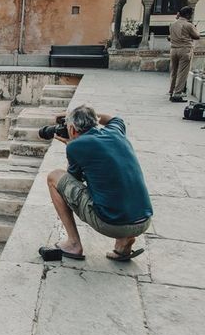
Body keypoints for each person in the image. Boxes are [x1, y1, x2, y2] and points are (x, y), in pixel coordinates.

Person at [39, 105, 153, 262]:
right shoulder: (115, 131)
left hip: (111, 225)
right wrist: (85, 116)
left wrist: (71, 146)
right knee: (114, 186)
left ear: (71, 129)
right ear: (95, 122)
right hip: (144, 221)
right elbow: (113, 118)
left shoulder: (76, 146)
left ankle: (73, 244)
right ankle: (123, 243)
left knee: (54, 177)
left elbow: (73, 183)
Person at [168, 5, 200, 102]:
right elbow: (197, 36)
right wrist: (194, 29)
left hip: (173, 50)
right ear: (187, 15)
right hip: (184, 50)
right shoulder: (188, 25)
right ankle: (177, 94)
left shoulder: (172, 24)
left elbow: (170, 37)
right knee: (182, 73)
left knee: (174, 71)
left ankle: (171, 91)